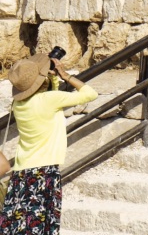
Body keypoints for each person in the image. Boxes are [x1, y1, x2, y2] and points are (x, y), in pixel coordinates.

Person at [5, 53, 91, 235]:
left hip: (21, 173)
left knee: (19, 225)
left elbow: (42, 96)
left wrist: (49, 79)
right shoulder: (50, 100)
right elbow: (90, 93)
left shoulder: (18, 105)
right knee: (41, 227)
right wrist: (65, 75)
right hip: (43, 172)